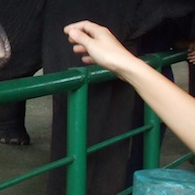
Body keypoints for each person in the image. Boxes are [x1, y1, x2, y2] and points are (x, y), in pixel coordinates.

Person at [64, 20, 195, 153]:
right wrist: (124, 63)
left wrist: (124, 63)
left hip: (151, 80)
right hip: (146, 81)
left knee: (146, 136)